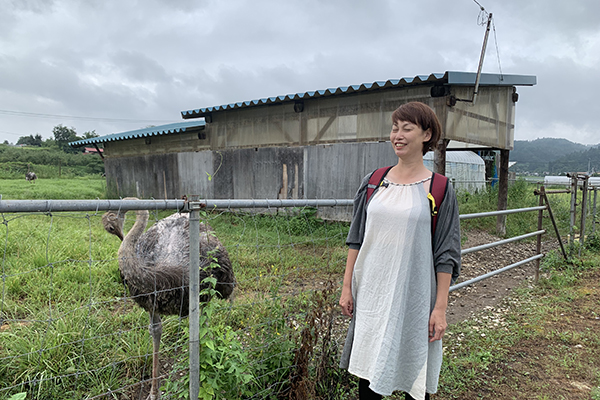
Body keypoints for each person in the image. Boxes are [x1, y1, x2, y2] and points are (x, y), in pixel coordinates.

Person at [339, 101, 461, 400]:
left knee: (414, 369)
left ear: (427, 134)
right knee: (369, 370)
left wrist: (440, 308)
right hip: (373, 293)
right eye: (395, 128)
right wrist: (346, 288)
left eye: (407, 128)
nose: (398, 135)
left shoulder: (439, 188)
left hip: (416, 294)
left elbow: (447, 253)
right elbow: (357, 237)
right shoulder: (375, 181)